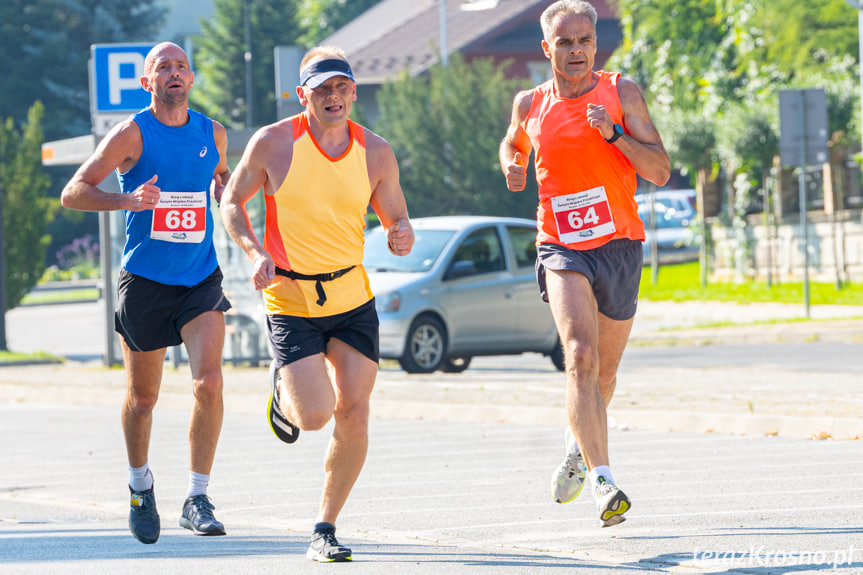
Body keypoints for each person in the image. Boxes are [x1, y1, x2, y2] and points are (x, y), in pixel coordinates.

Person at [219, 46, 413, 562]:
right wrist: (254, 251)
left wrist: (401, 232)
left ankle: (324, 527)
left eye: (341, 87)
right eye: (321, 89)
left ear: (354, 91)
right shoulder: (273, 143)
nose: (333, 97)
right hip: (291, 295)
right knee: (314, 417)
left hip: (351, 295)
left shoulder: (375, 151)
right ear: (301, 94)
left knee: (354, 411)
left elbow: (396, 214)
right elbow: (230, 202)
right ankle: (284, 388)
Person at [499, 0, 670, 527]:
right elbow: (512, 142)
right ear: (547, 49)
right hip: (561, 244)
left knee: (606, 372)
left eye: (584, 41)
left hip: (619, 242)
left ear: (596, 45)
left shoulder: (621, 93)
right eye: (565, 43)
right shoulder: (530, 102)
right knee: (579, 355)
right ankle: (603, 481)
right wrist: (512, 164)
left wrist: (614, 134)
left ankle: (578, 447)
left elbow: (660, 170)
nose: (576, 51)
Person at [61, 42, 232, 544]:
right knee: (143, 398)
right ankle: (141, 486)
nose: (173, 73)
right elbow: (74, 191)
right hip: (146, 283)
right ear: (147, 82)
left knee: (209, 384)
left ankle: (198, 496)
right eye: (163, 67)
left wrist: (225, 187)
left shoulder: (213, 133)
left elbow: (221, 178)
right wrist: (129, 199)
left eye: (181, 66)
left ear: (192, 79)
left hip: (200, 277)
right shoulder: (130, 133)